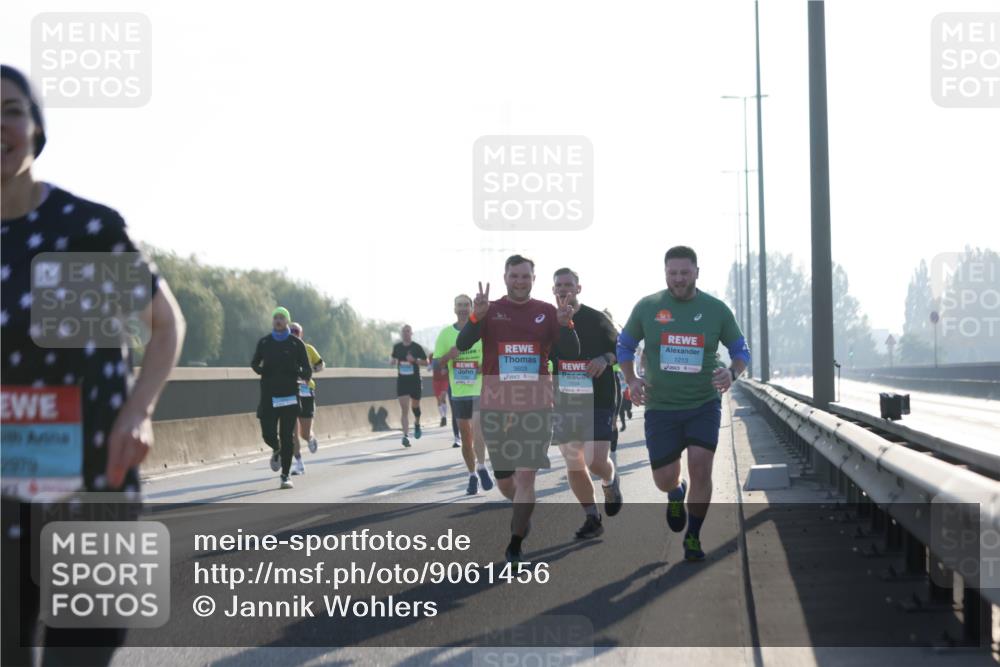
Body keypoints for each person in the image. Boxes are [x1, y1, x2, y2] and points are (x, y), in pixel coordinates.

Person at [1, 64, 185, 667]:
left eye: (11, 110)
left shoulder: (82, 230)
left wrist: (138, 413)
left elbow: (164, 325)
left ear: (35, 127)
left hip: (92, 489)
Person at [617, 246, 749, 561]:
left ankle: (693, 535)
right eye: (673, 273)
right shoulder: (648, 307)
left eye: (684, 273)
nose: (678, 279)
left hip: (703, 402)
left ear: (696, 273)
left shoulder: (716, 309)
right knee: (664, 478)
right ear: (665, 273)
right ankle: (676, 492)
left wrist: (731, 373)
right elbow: (624, 344)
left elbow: (741, 349)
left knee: (701, 468)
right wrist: (632, 379)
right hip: (661, 406)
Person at [456, 255, 579, 564]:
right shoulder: (490, 310)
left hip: (536, 406)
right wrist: (475, 318)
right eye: (514, 276)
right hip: (496, 406)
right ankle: (522, 514)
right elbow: (462, 342)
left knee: (526, 479)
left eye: (525, 276)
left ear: (533, 279)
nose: (520, 281)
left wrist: (565, 326)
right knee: (506, 483)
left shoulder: (547, 312)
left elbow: (570, 352)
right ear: (505, 277)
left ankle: (515, 542)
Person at [550, 269, 624, 539]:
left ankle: (609, 480)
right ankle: (592, 517)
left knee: (594, 461)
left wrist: (605, 358)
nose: (563, 289)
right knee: (573, 462)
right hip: (565, 400)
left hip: (599, 398)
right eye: (559, 285)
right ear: (553, 289)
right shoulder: (549, 321)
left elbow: (621, 348)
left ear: (578, 289)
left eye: (568, 285)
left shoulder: (596, 318)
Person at [434, 294, 493, 494]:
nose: (463, 309)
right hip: (458, 393)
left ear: (471, 308)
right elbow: (435, 365)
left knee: (478, 430)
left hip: (479, 390)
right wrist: (448, 356)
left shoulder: (482, 332)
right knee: (465, 437)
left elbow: (493, 357)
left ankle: (482, 466)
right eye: (459, 305)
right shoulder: (445, 335)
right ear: (454, 308)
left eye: (466, 305)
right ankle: (471, 475)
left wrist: (482, 367)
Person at [251, 307, 312, 489]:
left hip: (289, 397)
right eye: (276, 318)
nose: (278, 321)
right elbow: (254, 363)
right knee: (268, 433)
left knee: (288, 437)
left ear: (287, 321)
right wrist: (262, 370)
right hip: (269, 395)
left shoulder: (296, 344)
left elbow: (307, 369)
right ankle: (276, 448)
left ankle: (285, 476)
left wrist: (300, 374)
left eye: (282, 318)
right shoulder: (265, 342)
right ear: (273, 321)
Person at [289, 322, 324, 475]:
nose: (293, 333)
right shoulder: (284, 350)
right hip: (289, 392)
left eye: (296, 331)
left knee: (304, 433)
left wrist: (312, 370)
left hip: (306, 392)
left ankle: (310, 438)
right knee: (292, 432)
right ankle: (298, 463)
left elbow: (321, 364)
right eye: (291, 331)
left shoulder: (308, 349)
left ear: (301, 334)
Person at [390, 325, 427, 447]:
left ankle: (417, 423)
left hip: (415, 381)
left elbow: (426, 362)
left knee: (415, 407)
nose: (406, 334)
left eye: (408, 331)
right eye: (404, 332)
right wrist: (392, 362)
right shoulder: (397, 347)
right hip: (402, 382)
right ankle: (405, 436)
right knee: (404, 409)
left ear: (411, 333)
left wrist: (415, 360)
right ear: (401, 334)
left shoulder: (416, 347)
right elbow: (393, 359)